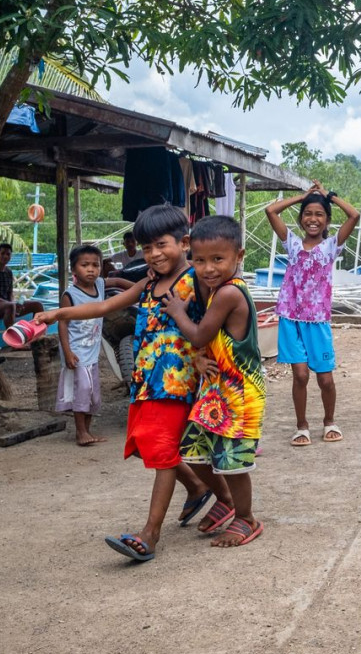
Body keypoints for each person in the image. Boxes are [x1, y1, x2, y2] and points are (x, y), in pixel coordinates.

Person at [36, 204, 233, 561]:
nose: (154, 255)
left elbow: (214, 324)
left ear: (184, 242)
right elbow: (100, 308)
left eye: (161, 245)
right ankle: (206, 490)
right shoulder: (148, 284)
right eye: (146, 248)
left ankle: (150, 535)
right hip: (146, 380)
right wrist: (56, 313)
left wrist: (205, 355)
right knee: (147, 444)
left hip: (178, 382)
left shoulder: (197, 282)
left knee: (160, 451)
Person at [165, 216, 267, 548]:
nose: (207, 268)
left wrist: (178, 311)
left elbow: (199, 334)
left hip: (239, 395)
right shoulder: (212, 290)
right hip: (215, 391)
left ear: (239, 256)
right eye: (199, 260)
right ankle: (224, 500)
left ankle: (246, 518)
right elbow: (210, 343)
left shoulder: (227, 294)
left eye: (218, 259)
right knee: (193, 451)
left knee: (234, 463)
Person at [266, 181, 360, 446]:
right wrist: (303, 197)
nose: (313, 219)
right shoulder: (292, 244)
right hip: (290, 318)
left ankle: (329, 421)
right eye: (308, 214)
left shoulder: (332, 246)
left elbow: (354, 215)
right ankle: (302, 425)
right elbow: (271, 211)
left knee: (326, 379)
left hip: (317, 321)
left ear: (327, 220)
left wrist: (329, 195)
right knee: (300, 376)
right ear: (300, 219)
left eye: (319, 214)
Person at [54, 244, 132, 446]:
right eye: (85, 265)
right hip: (76, 351)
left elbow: (116, 280)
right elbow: (62, 324)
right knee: (83, 390)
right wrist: (68, 352)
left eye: (95, 265)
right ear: (74, 270)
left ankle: (86, 431)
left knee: (91, 393)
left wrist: (141, 287)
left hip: (92, 352)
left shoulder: (99, 284)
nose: (91, 269)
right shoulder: (69, 295)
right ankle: (80, 432)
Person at [0, 241, 44, 329]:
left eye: (8, 254)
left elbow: (10, 293)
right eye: (2, 253)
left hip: (7, 305)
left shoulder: (8, 272)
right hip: (4, 305)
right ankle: (12, 337)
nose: (5, 256)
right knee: (11, 306)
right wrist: (11, 304)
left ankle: (38, 336)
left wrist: (15, 303)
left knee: (37, 305)